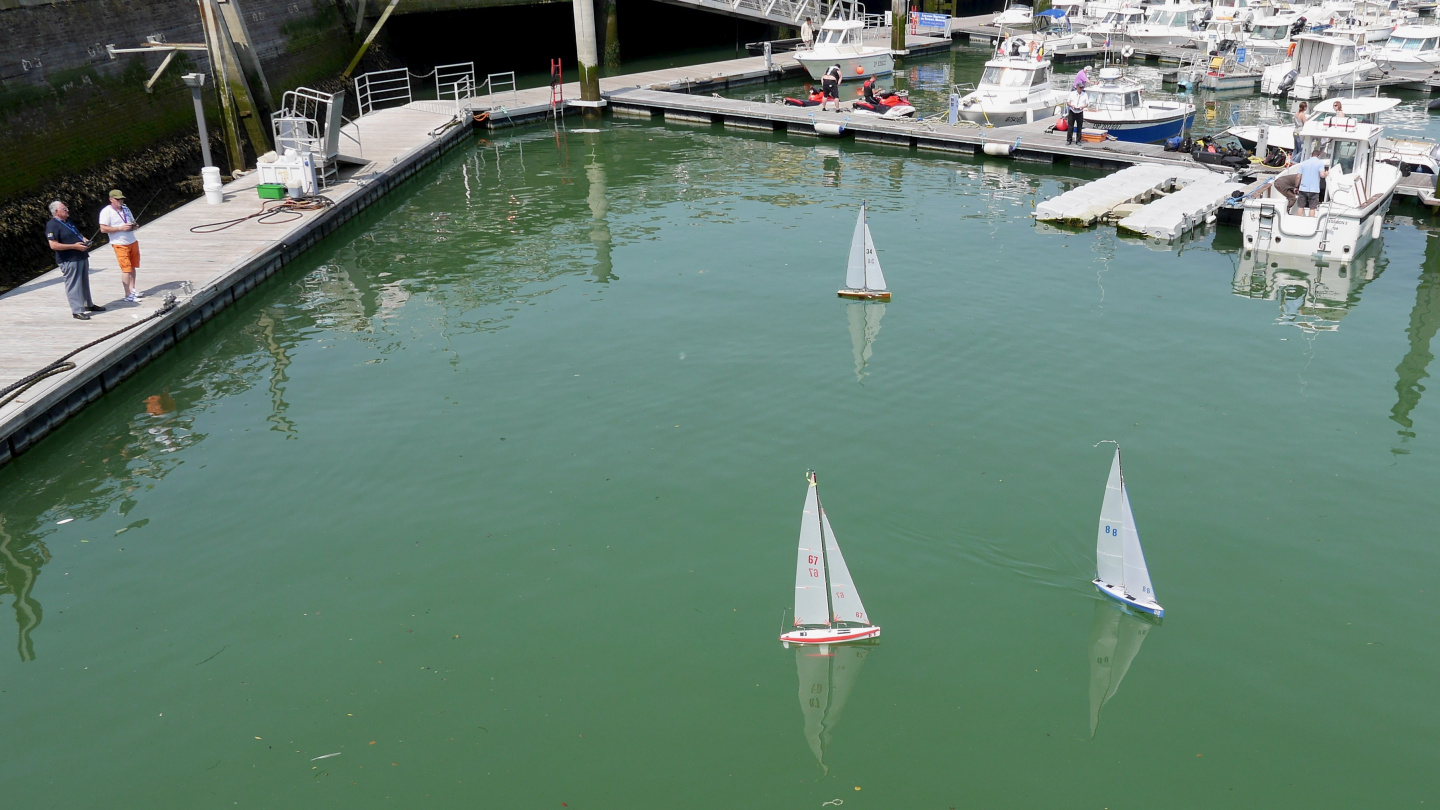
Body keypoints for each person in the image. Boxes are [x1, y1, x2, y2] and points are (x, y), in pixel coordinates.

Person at [45, 200, 104, 320]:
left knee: (84, 282)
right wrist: (74, 246)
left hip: (81, 256)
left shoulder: (68, 221)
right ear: (56, 211)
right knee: (73, 284)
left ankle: (88, 304)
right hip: (69, 259)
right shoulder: (52, 225)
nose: (67, 211)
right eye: (64, 209)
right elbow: (53, 245)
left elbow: (77, 234)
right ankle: (77, 311)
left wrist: (85, 240)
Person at [99, 188, 142, 302]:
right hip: (119, 244)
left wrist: (134, 226)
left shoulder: (126, 209)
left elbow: (134, 222)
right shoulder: (106, 211)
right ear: (111, 199)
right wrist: (120, 228)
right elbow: (103, 229)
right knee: (126, 269)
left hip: (132, 240)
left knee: (133, 266)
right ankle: (127, 294)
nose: (120, 201)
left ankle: (132, 289)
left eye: (122, 199)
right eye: (118, 199)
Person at [1296, 147, 1329, 216]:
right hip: (1314, 190)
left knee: (1300, 207)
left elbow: (1298, 176)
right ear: (1319, 156)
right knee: (1312, 208)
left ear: (1311, 154)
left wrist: (1296, 186)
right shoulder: (1320, 163)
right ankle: (1310, 223)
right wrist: (1326, 173)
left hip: (1303, 188)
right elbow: (1322, 175)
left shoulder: (1304, 163)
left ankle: (1297, 221)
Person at [1066, 81, 1089, 146]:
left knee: (1079, 127)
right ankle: (1069, 140)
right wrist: (1071, 106)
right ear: (1077, 87)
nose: (1081, 89)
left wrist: (1083, 107)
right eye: (1080, 87)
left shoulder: (1085, 94)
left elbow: (1087, 104)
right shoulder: (1072, 94)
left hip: (1080, 112)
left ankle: (1078, 140)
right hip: (1072, 111)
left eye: (1082, 87)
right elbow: (1068, 102)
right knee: (1070, 127)